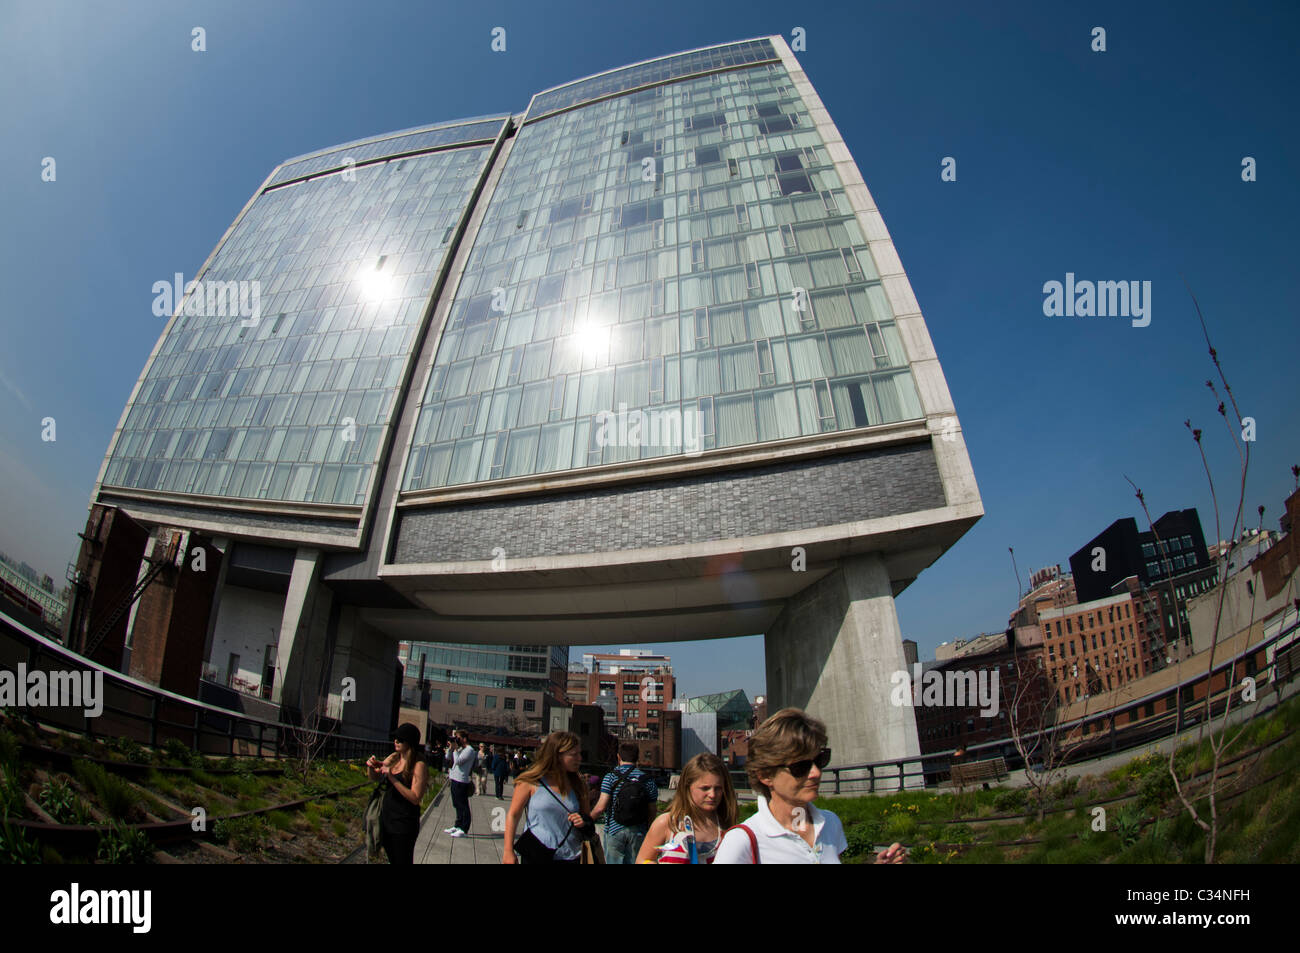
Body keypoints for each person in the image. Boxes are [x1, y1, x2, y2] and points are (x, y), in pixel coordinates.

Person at [713, 708, 907, 865]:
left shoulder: (830, 824)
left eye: (819, 760)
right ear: (765, 775)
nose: (815, 772)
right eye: (800, 766)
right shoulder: (743, 841)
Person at [502, 731, 591, 864]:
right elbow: (513, 815)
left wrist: (583, 821)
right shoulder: (530, 781)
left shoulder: (579, 785)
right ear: (557, 756)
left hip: (571, 856)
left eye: (580, 753)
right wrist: (508, 850)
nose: (579, 758)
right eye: (574, 754)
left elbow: (587, 818)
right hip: (536, 854)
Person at [635, 752, 736, 864]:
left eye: (718, 788)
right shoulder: (668, 823)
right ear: (687, 787)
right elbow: (642, 860)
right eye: (705, 788)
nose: (712, 794)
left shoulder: (726, 827)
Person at [365, 722, 429, 865]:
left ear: (410, 742)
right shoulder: (394, 758)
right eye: (395, 738)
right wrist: (371, 767)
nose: (396, 741)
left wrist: (392, 777)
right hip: (387, 820)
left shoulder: (419, 765)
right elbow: (375, 777)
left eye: (400, 739)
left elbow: (415, 797)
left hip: (403, 824)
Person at [590, 742, 658, 864]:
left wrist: (586, 821)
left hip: (614, 830)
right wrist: (649, 830)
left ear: (619, 757)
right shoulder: (647, 780)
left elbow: (600, 807)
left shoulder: (610, 777)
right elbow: (652, 809)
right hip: (638, 831)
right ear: (637, 758)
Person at [444, 730, 477, 837]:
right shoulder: (460, 749)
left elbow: (458, 761)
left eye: (458, 738)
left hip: (461, 780)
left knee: (463, 805)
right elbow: (448, 758)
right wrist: (451, 748)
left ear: (464, 738)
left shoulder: (469, 750)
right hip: (454, 778)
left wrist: (455, 749)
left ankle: (464, 828)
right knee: (456, 804)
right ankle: (457, 825)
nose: (456, 740)